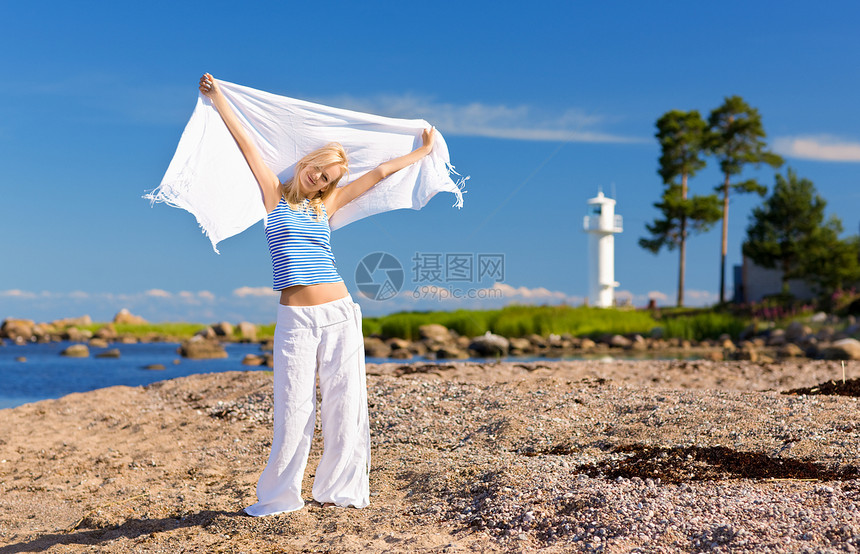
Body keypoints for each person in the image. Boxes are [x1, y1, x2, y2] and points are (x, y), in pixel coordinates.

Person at [198, 74, 435, 516]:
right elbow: (247, 143)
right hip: (294, 321)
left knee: (346, 403)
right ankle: (279, 498)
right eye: (318, 169)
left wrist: (421, 152)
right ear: (308, 161)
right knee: (293, 410)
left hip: (340, 313)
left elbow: (380, 174)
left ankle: (339, 490)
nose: (318, 178)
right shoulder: (275, 198)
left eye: (327, 178)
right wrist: (219, 98)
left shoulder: (325, 206)